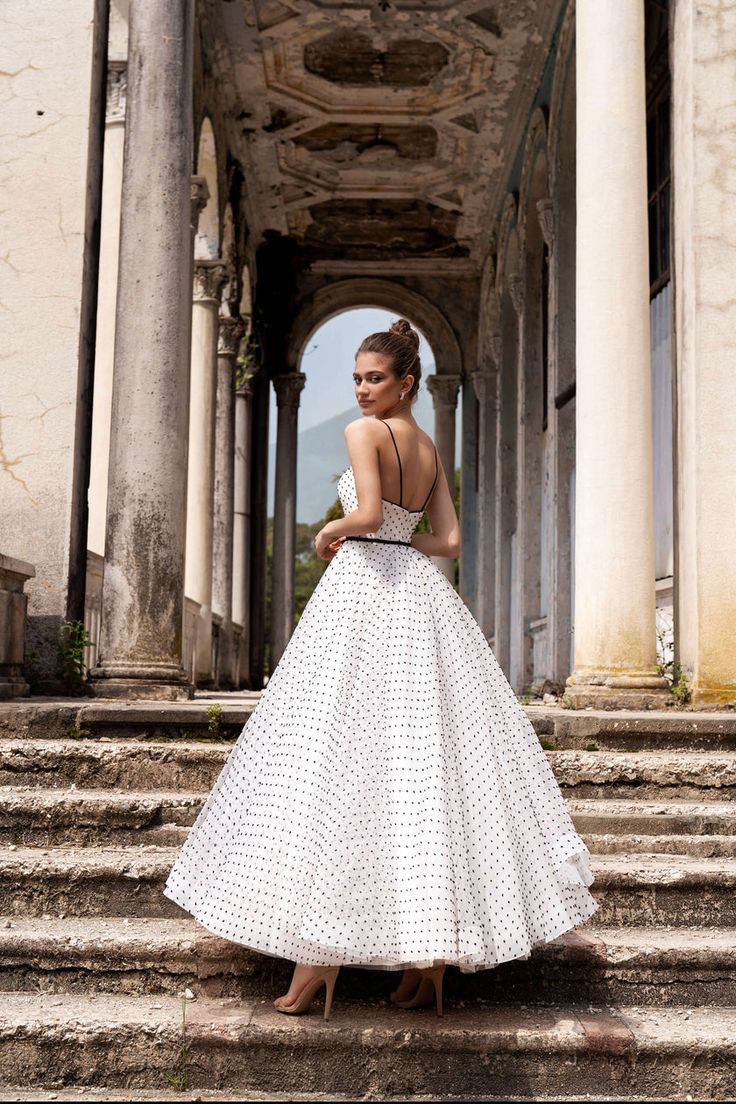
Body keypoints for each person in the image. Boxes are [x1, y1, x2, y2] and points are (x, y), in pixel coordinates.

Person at [162, 318, 599, 1021]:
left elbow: (364, 512)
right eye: (358, 379)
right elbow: (449, 542)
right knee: (423, 759)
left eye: (374, 378)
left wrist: (330, 530)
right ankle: (426, 967)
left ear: (406, 382)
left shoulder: (362, 436)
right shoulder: (426, 443)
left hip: (365, 589)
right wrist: (395, 532)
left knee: (336, 750)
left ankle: (316, 964)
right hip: (420, 596)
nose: (363, 390)